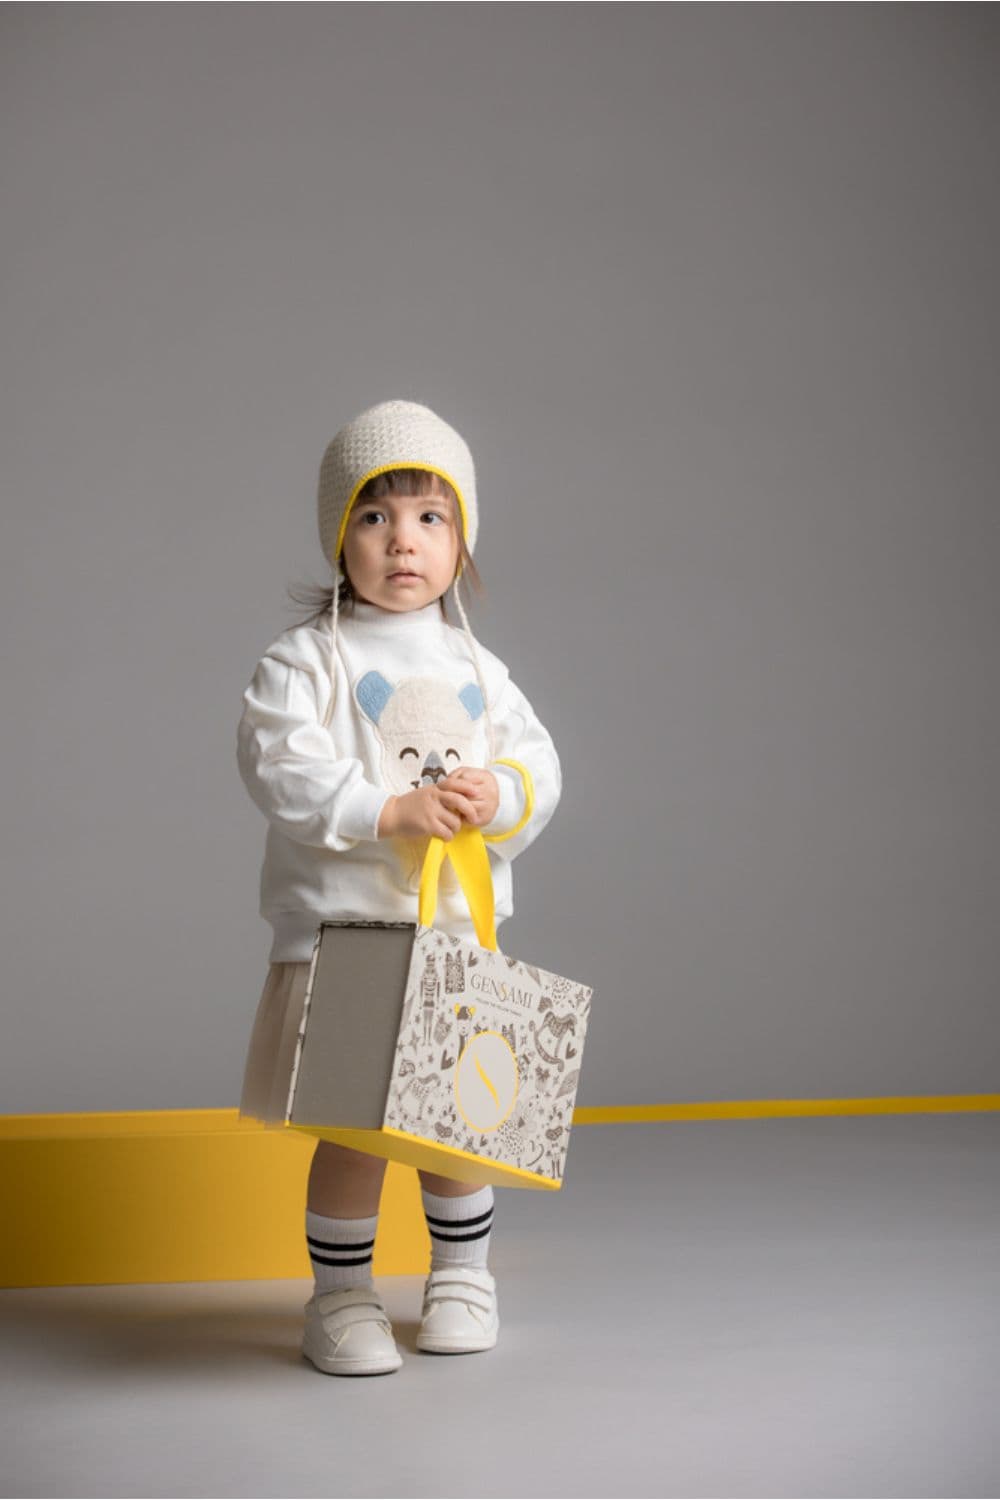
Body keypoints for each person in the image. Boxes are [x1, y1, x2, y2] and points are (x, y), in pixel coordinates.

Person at [236, 398, 562, 1376]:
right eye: (375, 518)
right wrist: (386, 812)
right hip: (348, 934)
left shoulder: (477, 665)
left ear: (462, 542)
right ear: (341, 536)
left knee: (459, 1117)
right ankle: (340, 1299)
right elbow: (277, 766)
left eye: (431, 518)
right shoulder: (305, 662)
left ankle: (463, 1274)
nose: (403, 542)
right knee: (356, 1127)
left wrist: (497, 791)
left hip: (455, 928)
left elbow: (540, 765)